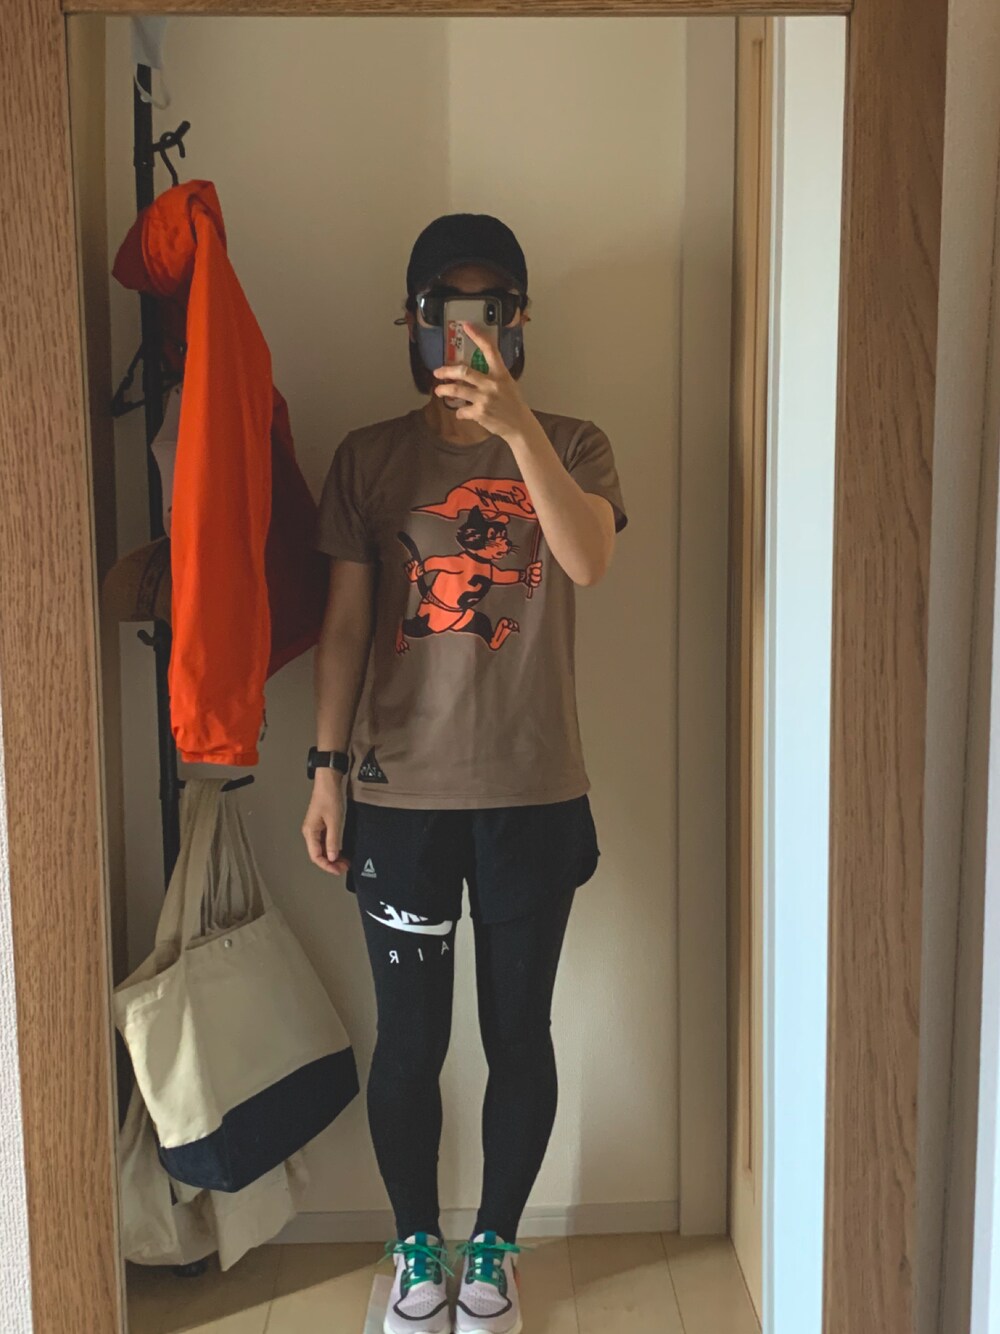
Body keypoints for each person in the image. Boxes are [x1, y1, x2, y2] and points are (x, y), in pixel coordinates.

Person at [302, 213, 627, 1334]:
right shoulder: (367, 458)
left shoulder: (574, 442)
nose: (466, 329)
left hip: (534, 792)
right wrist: (324, 769)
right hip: (398, 795)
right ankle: (413, 1245)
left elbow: (586, 558)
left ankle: (494, 1240)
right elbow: (345, 630)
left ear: (519, 320)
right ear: (411, 320)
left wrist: (517, 425)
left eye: (489, 308)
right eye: (446, 308)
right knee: (410, 1039)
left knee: (517, 1033)